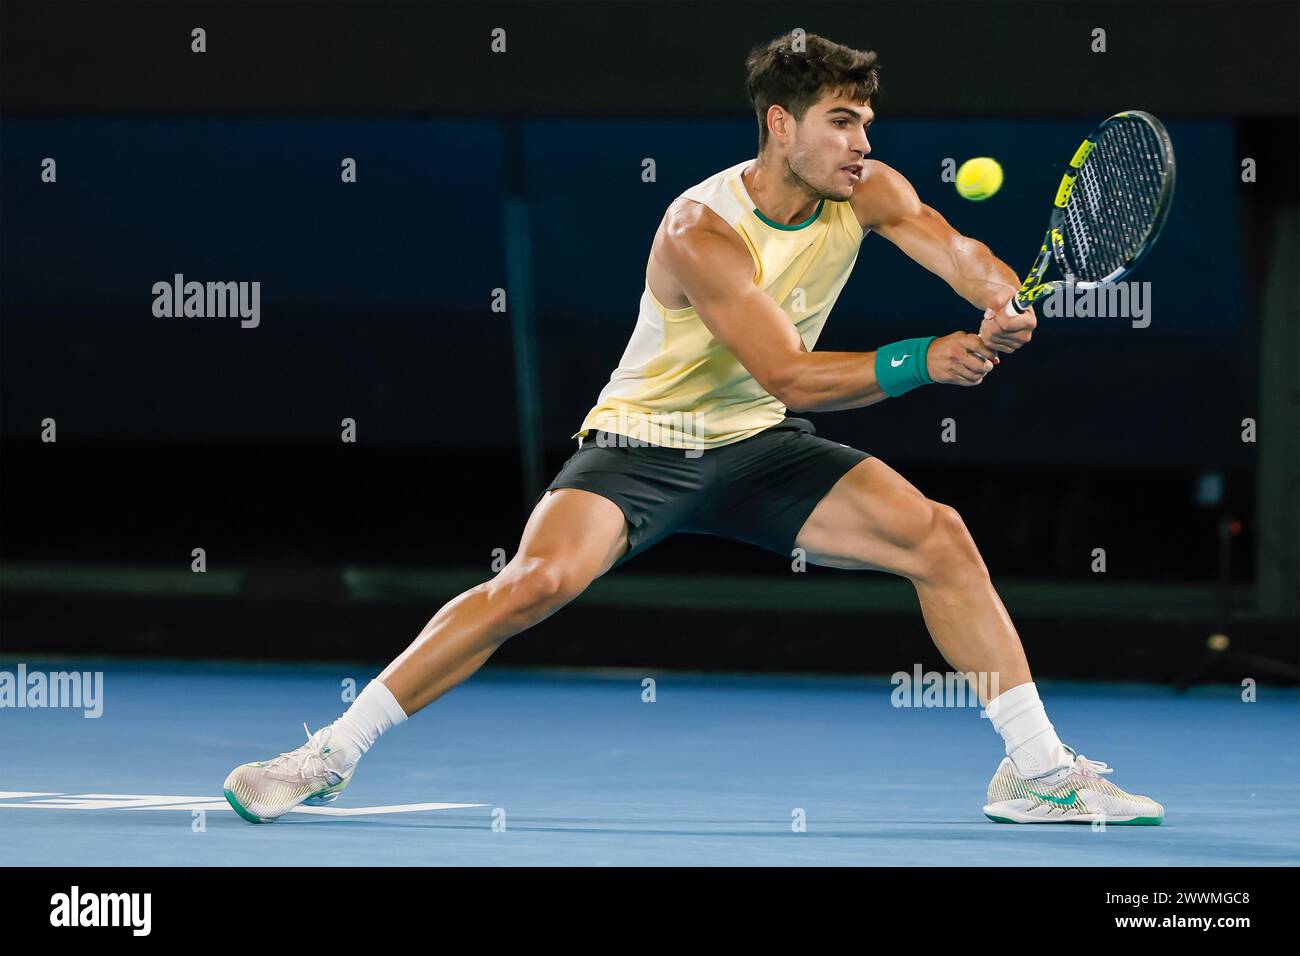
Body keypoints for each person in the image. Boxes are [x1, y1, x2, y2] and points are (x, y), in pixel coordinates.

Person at [224, 32, 1163, 827]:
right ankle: (326, 756)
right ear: (780, 125)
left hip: (755, 447)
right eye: (842, 121)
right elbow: (788, 372)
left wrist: (1000, 297)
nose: (861, 141)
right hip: (645, 441)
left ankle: (1034, 771)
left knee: (940, 536)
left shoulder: (869, 189)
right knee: (535, 582)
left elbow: (956, 250)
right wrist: (925, 359)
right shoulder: (699, 232)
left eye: (866, 122)